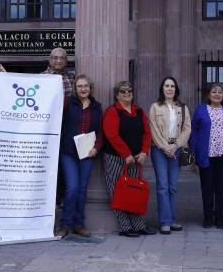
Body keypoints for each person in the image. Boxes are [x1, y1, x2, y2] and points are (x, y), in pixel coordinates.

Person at [102, 80, 155, 236]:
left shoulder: (139, 111)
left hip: (137, 158)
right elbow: (112, 135)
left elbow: (147, 133)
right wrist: (126, 154)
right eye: (123, 91)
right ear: (117, 95)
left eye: (129, 91)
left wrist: (145, 152)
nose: (126, 94)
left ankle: (139, 225)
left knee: (135, 193)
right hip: (115, 158)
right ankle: (125, 227)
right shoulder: (112, 111)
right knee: (118, 192)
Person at [57, 74, 103, 237]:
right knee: (73, 187)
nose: (83, 89)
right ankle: (65, 224)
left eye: (86, 86)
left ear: (90, 89)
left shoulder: (97, 106)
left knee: (82, 189)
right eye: (80, 86)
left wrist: (96, 148)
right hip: (68, 151)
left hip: (88, 153)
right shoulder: (68, 103)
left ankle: (78, 224)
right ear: (75, 89)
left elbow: (100, 132)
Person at [149, 77, 191, 235]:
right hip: (159, 149)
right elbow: (153, 129)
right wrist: (165, 147)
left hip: (176, 148)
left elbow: (187, 129)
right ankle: (165, 222)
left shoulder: (182, 107)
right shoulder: (155, 107)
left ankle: (172, 219)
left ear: (176, 89)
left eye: (172, 86)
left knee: (172, 186)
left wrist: (176, 146)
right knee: (162, 186)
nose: (170, 88)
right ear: (162, 88)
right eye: (167, 86)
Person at [190, 83, 223, 229]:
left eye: (220, 92)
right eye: (214, 91)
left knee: (221, 188)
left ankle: (219, 217)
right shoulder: (201, 110)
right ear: (208, 94)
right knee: (207, 187)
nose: (217, 94)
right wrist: (192, 150)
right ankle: (208, 217)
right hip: (206, 154)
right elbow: (194, 131)